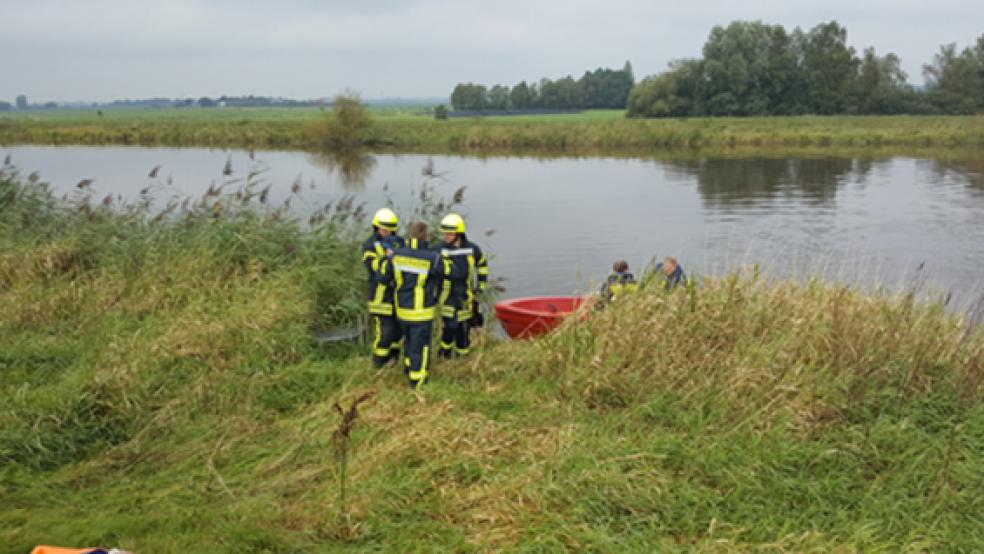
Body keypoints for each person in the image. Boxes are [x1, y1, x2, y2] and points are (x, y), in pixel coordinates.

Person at [378, 222, 457, 389]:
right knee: (421, 347)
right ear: (426, 236)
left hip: (402, 311)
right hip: (422, 312)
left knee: (408, 342)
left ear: (410, 235)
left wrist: (388, 258)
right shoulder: (433, 258)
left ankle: (408, 370)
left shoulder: (396, 255)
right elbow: (452, 272)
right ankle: (418, 381)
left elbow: (382, 277)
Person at [437, 213, 489, 358]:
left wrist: (481, 285)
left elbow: (482, 265)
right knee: (450, 326)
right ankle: (444, 354)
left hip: (466, 295)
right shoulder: (438, 249)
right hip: (446, 296)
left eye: (449, 233)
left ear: (459, 233)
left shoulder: (472, 249)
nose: (445, 236)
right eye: (444, 233)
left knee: (463, 330)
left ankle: (462, 356)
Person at [361, 208, 406, 368]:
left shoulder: (400, 242)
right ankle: (378, 363)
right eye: (383, 229)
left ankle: (393, 360)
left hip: (398, 296)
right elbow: (373, 266)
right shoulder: (369, 245)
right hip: (380, 297)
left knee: (398, 332)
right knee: (385, 333)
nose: (386, 232)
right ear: (376, 227)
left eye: (389, 229)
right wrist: (388, 259)